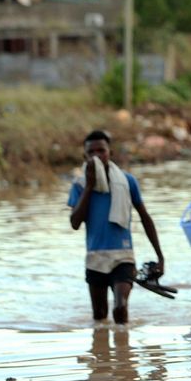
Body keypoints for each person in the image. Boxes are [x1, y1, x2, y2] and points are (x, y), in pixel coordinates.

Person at [68, 130, 164, 324]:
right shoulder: (79, 185)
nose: (97, 156)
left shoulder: (127, 182)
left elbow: (145, 218)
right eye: (91, 152)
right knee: (100, 317)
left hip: (123, 256)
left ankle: (123, 353)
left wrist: (160, 256)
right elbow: (75, 223)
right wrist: (89, 186)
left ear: (110, 153)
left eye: (101, 151)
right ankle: (103, 354)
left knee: (120, 307)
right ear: (85, 157)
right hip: (95, 257)